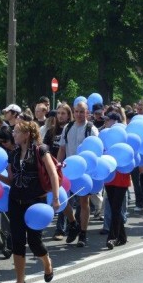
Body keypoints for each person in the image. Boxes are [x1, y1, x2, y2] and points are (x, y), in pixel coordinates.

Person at [0, 120, 59, 283]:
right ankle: (20, 280)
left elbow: (53, 174)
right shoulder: (13, 154)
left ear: (27, 134)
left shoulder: (41, 150)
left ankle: (47, 263)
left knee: (34, 241)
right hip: (16, 202)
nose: (13, 134)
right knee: (17, 240)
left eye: (16, 131)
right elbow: (11, 180)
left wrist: (56, 198)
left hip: (35, 202)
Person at [57, 101, 99, 247]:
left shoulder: (91, 129)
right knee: (62, 200)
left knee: (83, 203)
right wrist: (57, 165)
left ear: (87, 112)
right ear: (73, 112)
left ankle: (83, 233)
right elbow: (62, 148)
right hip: (68, 170)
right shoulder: (68, 128)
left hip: (83, 172)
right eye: (76, 111)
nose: (79, 114)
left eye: (82, 111)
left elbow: (96, 152)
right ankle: (73, 223)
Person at [43, 103, 73, 241]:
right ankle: (60, 228)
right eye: (58, 113)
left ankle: (68, 225)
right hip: (54, 168)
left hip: (69, 167)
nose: (60, 116)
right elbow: (45, 150)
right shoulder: (50, 132)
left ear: (68, 115)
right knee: (60, 196)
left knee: (67, 198)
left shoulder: (70, 129)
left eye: (63, 113)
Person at [103, 114, 131, 249]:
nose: (106, 122)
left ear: (116, 122)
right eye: (106, 120)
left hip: (121, 177)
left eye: (109, 120)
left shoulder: (125, 136)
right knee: (115, 208)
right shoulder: (104, 136)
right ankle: (122, 236)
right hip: (109, 177)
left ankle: (112, 237)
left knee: (115, 207)